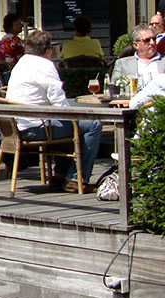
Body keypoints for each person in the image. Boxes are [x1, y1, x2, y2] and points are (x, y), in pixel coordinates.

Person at [7, 29, 102, 193]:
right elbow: (59, 103)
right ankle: (76, 179)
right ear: (48, 51)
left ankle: (60, 175)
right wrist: (76, 115)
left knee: (67, 123)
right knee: (92, 124)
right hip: (35, 128)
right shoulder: (45, 65)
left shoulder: (20, 63)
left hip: (17, 127)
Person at [112, 23, 163, 88]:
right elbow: (113, 87)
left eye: (154, 39)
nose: (152, 42)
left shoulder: (163, 62)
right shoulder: (122, 64)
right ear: (136, 45)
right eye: (147, 40)